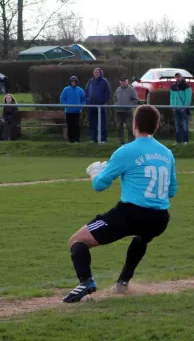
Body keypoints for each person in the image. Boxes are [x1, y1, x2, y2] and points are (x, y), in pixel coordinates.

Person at [63, 105, 177, 303]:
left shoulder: (126, 151)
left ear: (134, 124)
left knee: (77, 241)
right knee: (142, 238)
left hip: (131, 214)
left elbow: (99, 185)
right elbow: (172, 191)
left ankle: (86, 281)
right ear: (157, 126)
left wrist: (95, 172)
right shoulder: (167, 153)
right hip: (160, 218)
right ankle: (123, 283)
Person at [85, 68, 111, 143]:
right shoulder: (90, 81)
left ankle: (103, 139)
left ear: (100, 73)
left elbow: (108, 92)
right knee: (92, 123)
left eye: (98, 72)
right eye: (95, 72)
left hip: (101, 106)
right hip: (91, 106)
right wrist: (88, 100)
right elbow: (86, 91)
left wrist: (102, 101)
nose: (96, 73)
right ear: (93, 73)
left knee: (102, 123)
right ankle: (93, 138)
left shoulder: (104, 81)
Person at [60, 76, 86, 143]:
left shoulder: (80, 90)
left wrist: (80, 106)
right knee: (70, 125)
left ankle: (77, 139)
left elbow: (84, 100)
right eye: (72, 81)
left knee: (76, 126)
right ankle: (71, 140)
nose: (73, 82)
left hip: (77, 111)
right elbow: (62, 99)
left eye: (75, 81)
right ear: (70, 82)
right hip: (69, 111)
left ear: (76, 82)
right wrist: (66, 105)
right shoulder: (66, 89)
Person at [113, 77, 139, 145]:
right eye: (122, 81)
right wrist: (116, 105)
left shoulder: (131, 90)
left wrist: (130, 105)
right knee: (119, 127)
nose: (123, 82)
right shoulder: (118, 89)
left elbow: (136, 100)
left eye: (124, 81)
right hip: (119, 112)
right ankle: (121, 142)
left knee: (130, 127)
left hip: (128, 112)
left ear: (127, 81)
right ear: (120, 82)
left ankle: (131, 142)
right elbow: (115, 98)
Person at [169, 73, 191, 145]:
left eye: (179, 77)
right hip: (176, 109)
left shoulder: (186, 86)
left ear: (182, 77)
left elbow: (188, 98)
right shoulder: (173, 86)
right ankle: (178, 141)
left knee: (185, 125)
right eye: (176, 77)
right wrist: (172, 106)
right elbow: (171, 97)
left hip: (183, 109)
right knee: (177, 126)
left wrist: (185, 107)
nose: (177, 78)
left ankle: (185, 141)